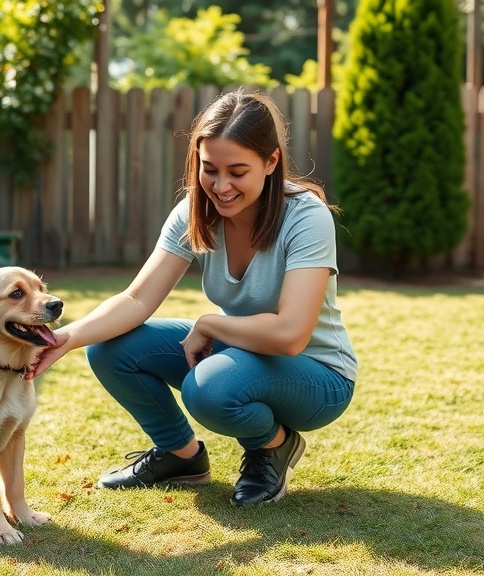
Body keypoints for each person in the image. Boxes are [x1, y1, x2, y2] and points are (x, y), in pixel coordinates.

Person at [28, 90, 358, 506]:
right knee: (111, 347)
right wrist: (67, 338)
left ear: (271, 162)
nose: (221, 187)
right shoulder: (195, 210)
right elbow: (136, 299)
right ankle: (180, 456)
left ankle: (273, 445)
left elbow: (291, 335)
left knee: (209, 390)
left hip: (317, 375)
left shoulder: (306, 216)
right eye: (210, 169)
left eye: (238, 171)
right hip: (243, 354)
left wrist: (209, 324)